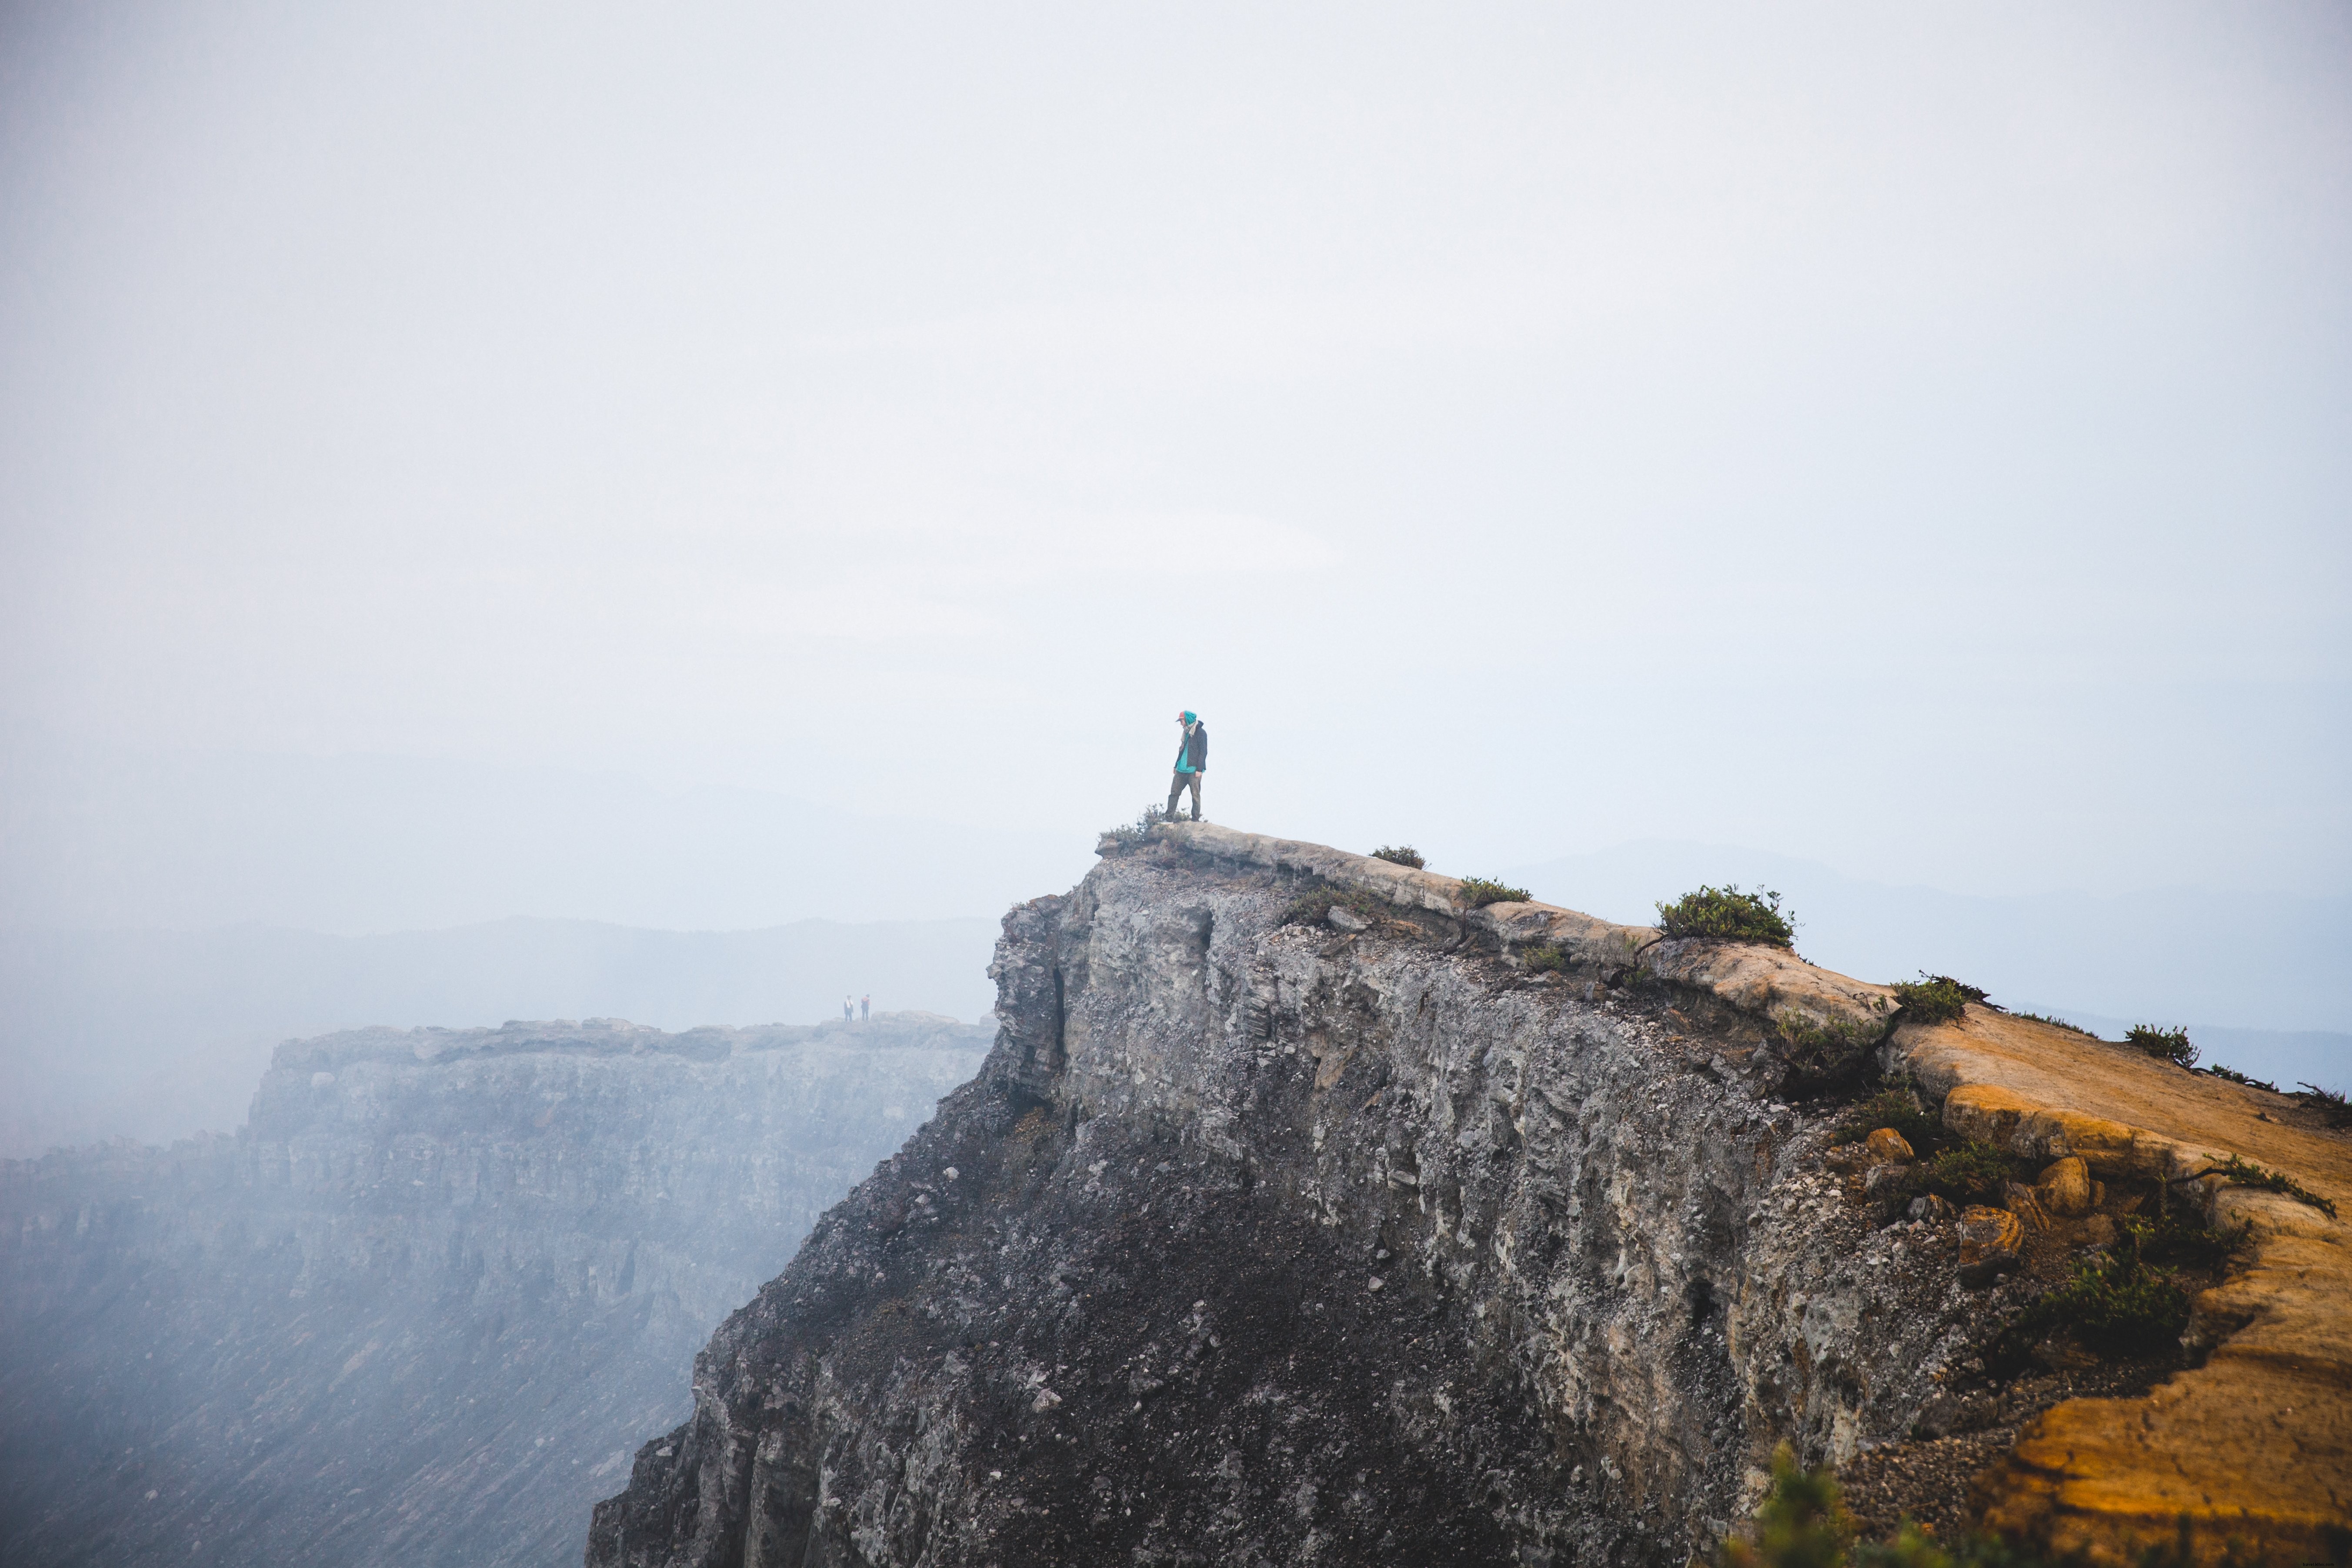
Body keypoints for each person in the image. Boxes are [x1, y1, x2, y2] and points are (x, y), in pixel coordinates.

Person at [1165, 709, 1208, 822]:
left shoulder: (1201, 733)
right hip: (1181, 770)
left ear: (1188, 720)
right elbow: (1182, 751)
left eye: (1182, 721)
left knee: (1195, 795)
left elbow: (1203, 752)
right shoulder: (1186, 733)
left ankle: (1195, 820)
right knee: (1174, 794)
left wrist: (1200, 769)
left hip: (1194, 771)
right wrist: (1176, 765)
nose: (1181, 723)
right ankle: (1168, 819)